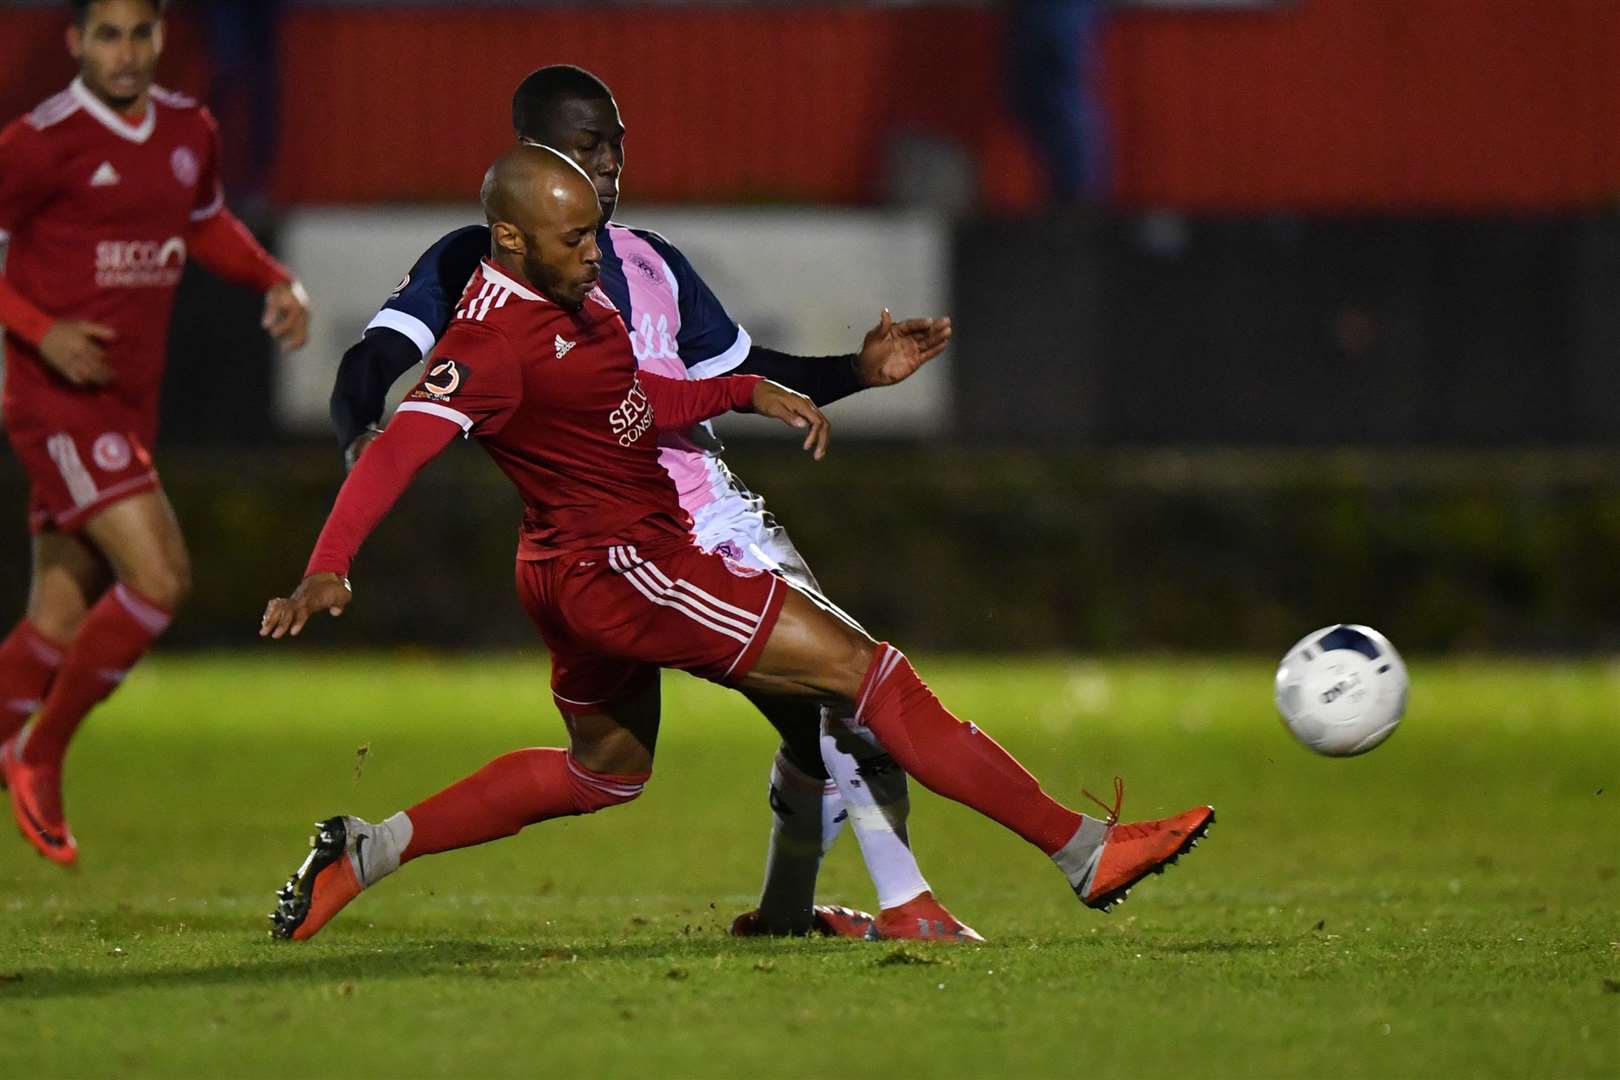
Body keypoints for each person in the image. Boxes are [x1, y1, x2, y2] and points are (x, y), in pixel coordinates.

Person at [259, 146, 1213, 943]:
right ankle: (1083, 850)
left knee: (605, 771)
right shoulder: (488, 341)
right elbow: (395, 452)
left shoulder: (574, 298)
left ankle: (366, 848)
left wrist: (743, 390)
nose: (598, 252)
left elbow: (629, 405)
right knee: (869, 675)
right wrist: (327, 565)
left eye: (595, 229)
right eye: (576, 236)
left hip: (571, 571)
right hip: (629, 567)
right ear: (509, 238)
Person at [330, 66, 972, 941]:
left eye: (617, 144)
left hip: (708, 519)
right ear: (532, 153)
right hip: (610, 544)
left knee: (805, 716)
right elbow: (377, 353)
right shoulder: (477, 257)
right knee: (834, 703)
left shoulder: (648, 257)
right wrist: (360, 427)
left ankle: (832, 910)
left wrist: (856, 373)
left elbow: (732, 378)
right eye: (588, 144)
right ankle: (909, 905)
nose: (611, 163)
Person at [0, 0, 311, 864]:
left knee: (55, 623)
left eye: (141, 33)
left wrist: (275, 279)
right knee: (160, 577)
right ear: (75, 43)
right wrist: (41, 329)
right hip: (55, 397)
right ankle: (42, 756)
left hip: (128, 402)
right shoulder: (40, 139)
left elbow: (204, 221)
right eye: (108, 34)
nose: (127, 52)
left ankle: (16, 745)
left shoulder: (186, 129)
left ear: (162, 39)